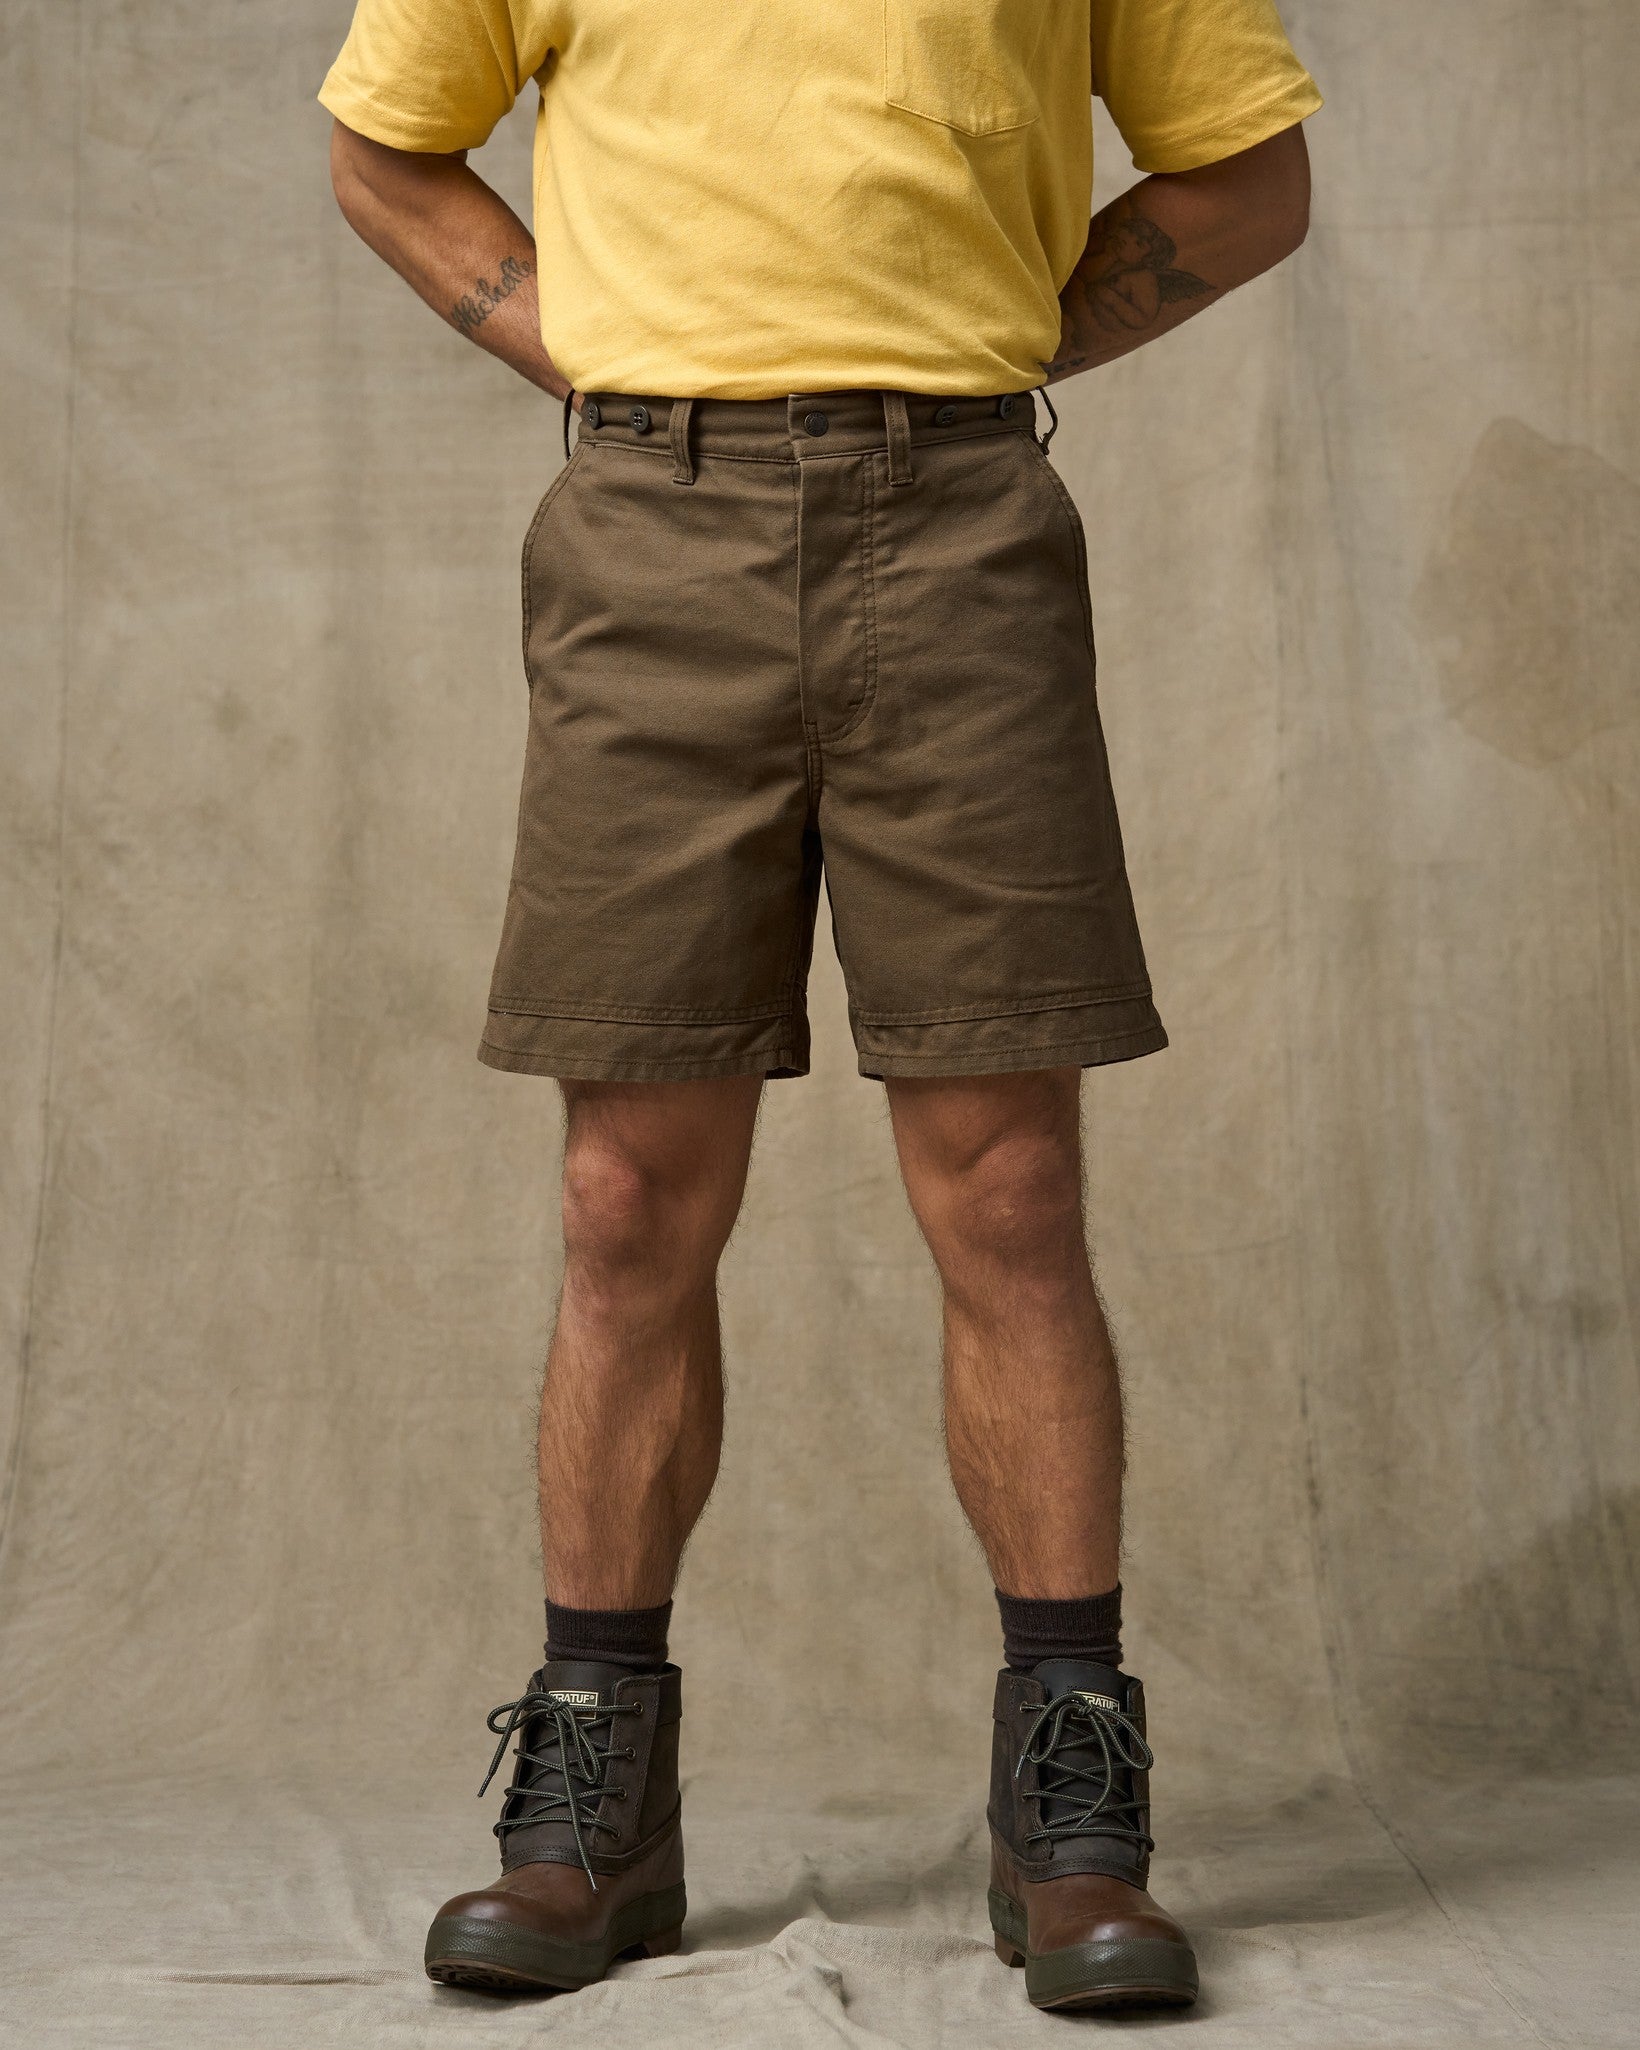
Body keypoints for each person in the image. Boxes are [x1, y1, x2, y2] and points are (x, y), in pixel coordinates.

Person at [319, 0, 1319, 2012]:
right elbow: (381, 145)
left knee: (1012, 1187)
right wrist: (584, 336)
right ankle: (592, 1806)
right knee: (624, 1193)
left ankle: (1070, 1817)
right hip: (647, 529)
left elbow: (1250, 174)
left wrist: (994, 336)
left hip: (960, 523)